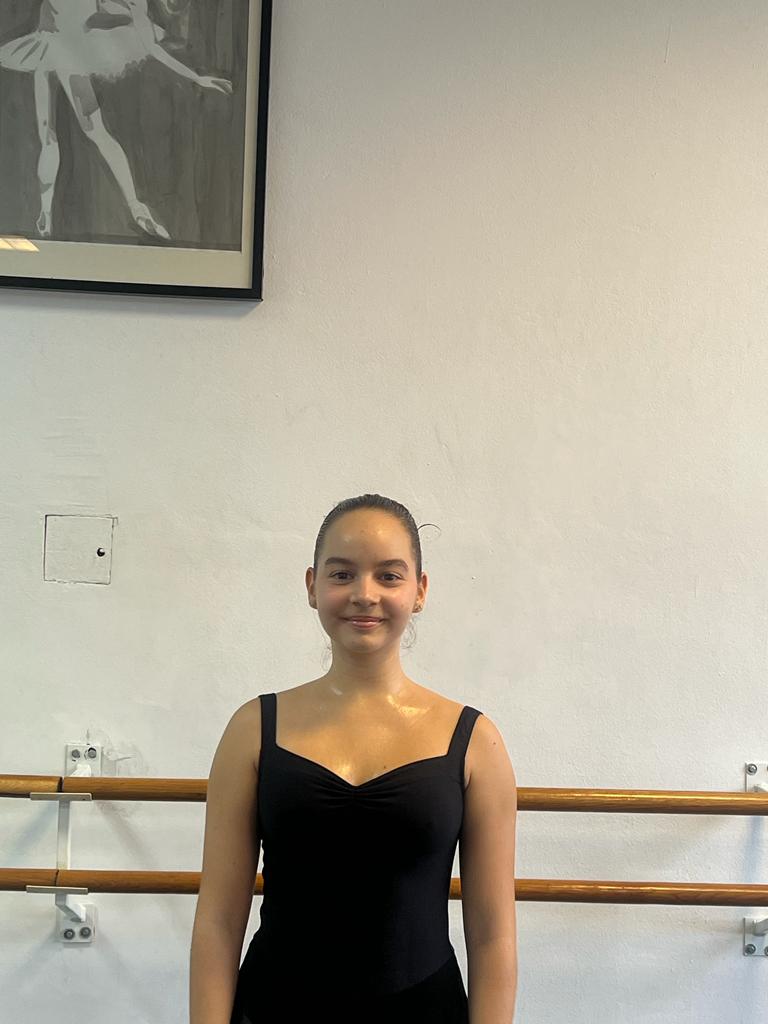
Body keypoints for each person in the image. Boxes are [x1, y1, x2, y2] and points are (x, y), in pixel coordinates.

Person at [189, 494, 519, 1023]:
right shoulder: (252, 731)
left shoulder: (476, 742)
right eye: (342, 574)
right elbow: (218, 921)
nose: (365, 594)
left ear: (419, 590)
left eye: (389, 576)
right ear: (312, 586)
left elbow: (493, 935)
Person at [0, 0, 232, 240]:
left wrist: (196, 77)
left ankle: (125, 209)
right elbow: (150, 45)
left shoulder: (131, 5)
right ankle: (52, 217)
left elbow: (152, 47)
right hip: (53, 46)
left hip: (64, 50)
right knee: (68, 137)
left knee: (69, 137)